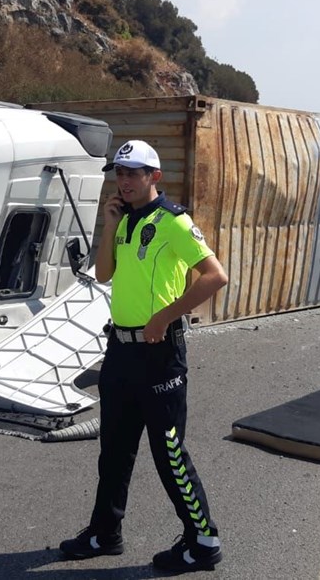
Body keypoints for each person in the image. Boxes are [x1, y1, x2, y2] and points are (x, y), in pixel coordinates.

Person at [59, 140, 229, 572]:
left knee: (168, 450)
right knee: (114, 449)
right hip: (120, 351)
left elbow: (215, 276)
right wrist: (109, 225)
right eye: (119, 173)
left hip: (159, 353)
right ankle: (105, 533)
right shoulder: (123, 219)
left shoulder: (173, 221)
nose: (124, 180)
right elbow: (103, 274)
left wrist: (164, 317)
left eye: (133, 173)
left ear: (154, 176)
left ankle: (203, 541)